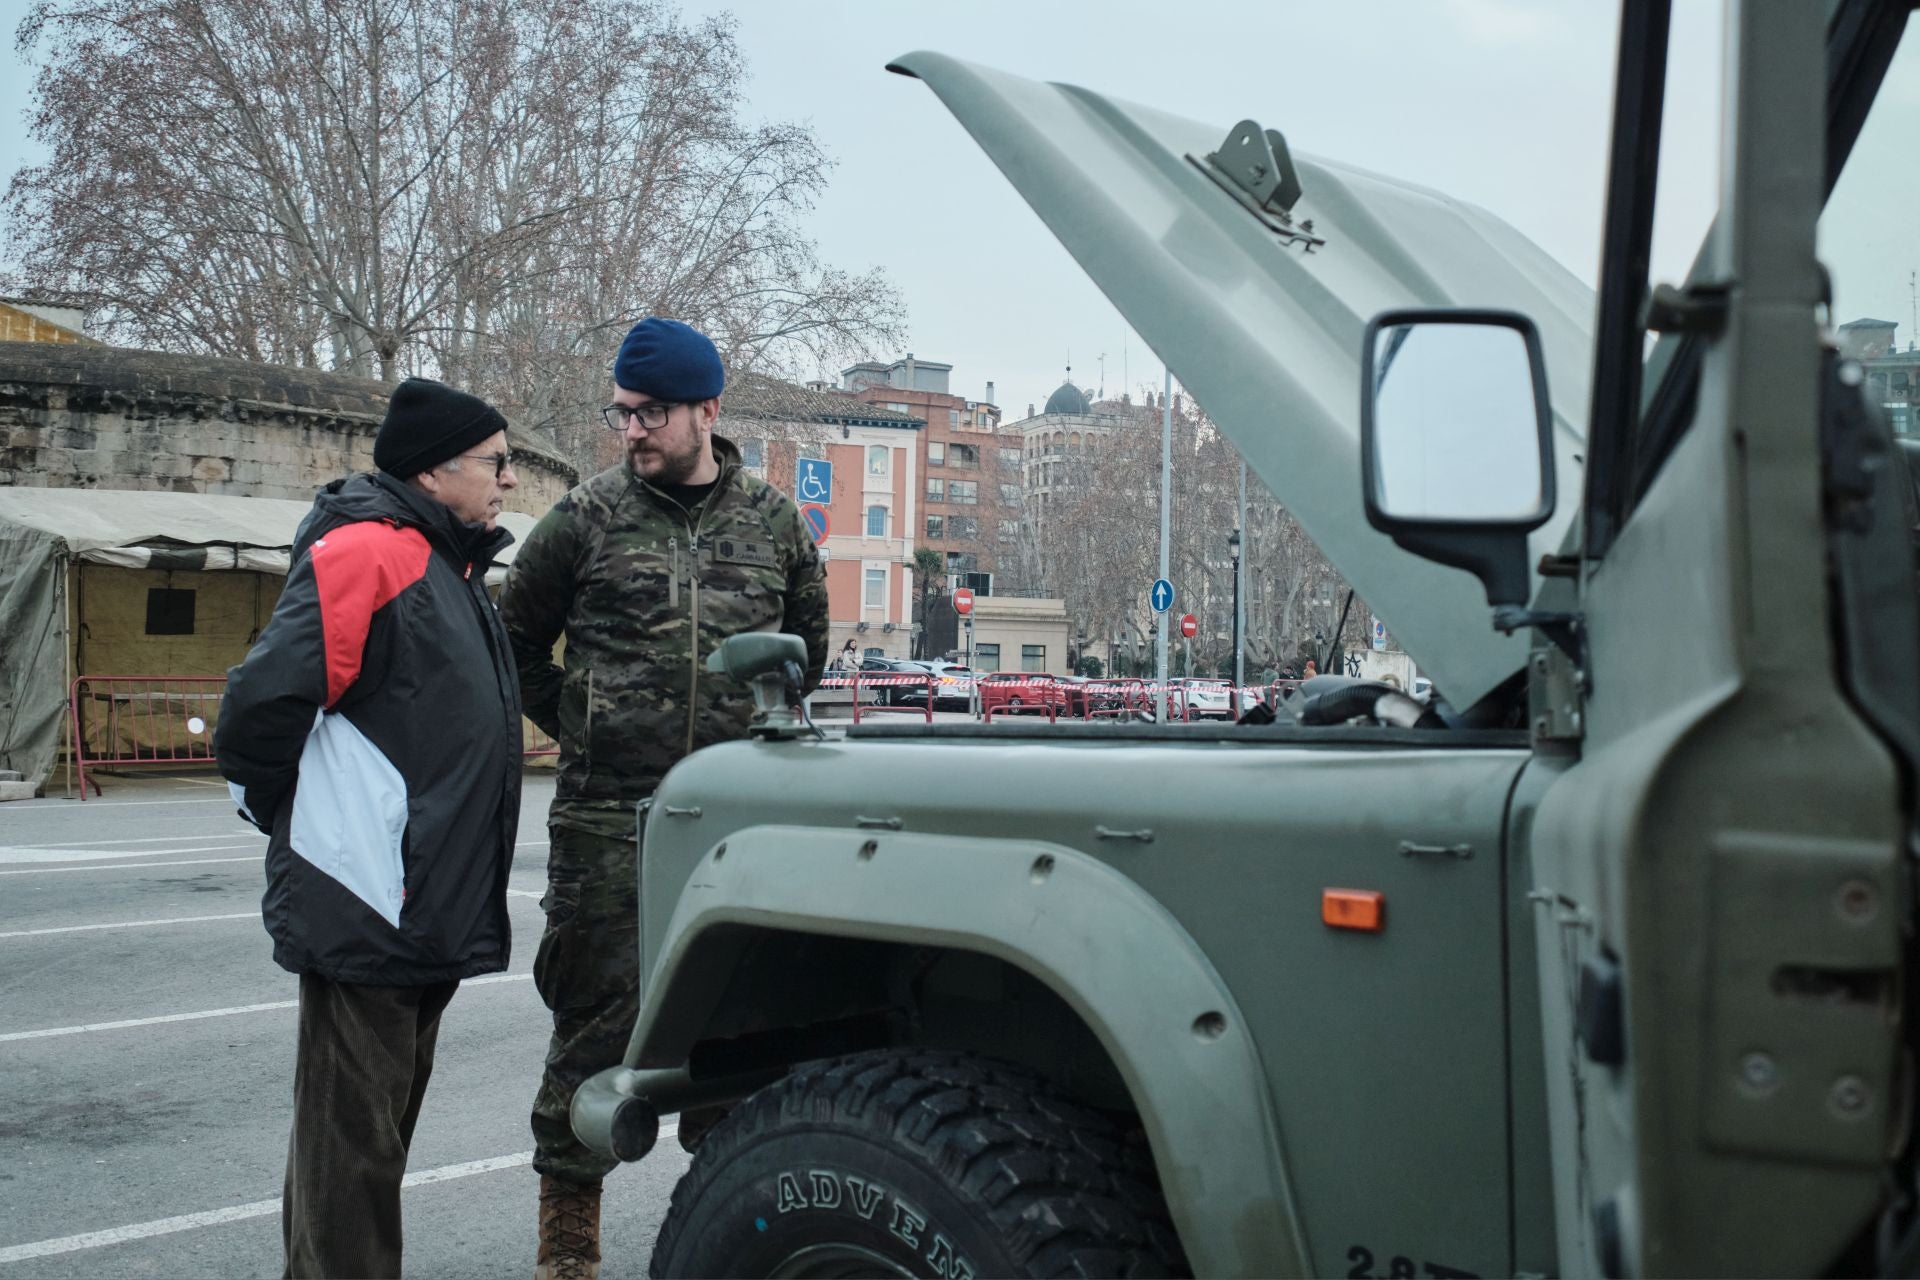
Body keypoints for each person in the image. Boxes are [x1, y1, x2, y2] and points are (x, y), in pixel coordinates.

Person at [499, 316, 829, 1280]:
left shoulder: (772, 523)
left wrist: (761, 737)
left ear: (707, 412)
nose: (631, 429)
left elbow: (805, 646)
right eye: (622, 412)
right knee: (595, 1020)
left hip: (736, 821)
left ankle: (735, 1229)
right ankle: (568, 1248)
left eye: (650, 413)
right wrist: (585, 721)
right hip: (610, 817)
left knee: (743, 1020)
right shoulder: (587, 518)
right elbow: (511, 640)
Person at [214, 377, 524, 1280]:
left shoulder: (450, 566)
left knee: (369, 1153)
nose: (508, 481)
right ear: (435, 471)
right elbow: (260, 707)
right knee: (350, 1162)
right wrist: (300, 816)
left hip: (418, 903)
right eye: (496, 463)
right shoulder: (370, 553)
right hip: (368, 900)